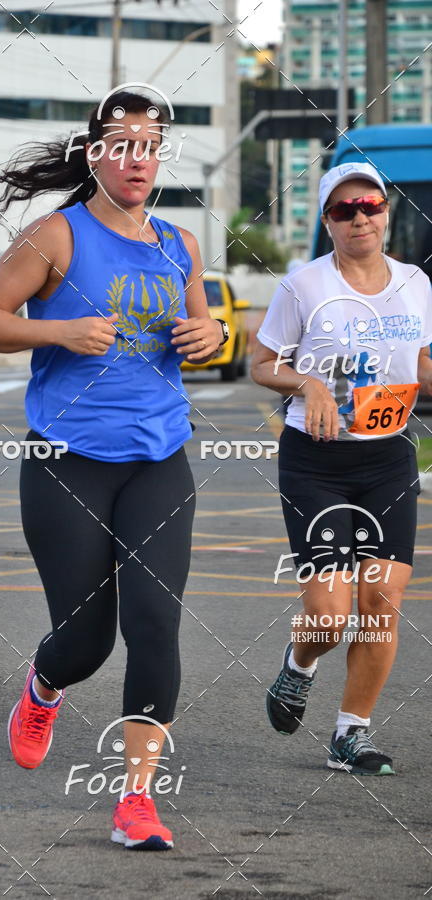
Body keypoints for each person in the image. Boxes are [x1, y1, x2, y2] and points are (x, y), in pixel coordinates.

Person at [0, 90, 228, 848]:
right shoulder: (57, 235)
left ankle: (136, 800)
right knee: (86, 642)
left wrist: (208, 335)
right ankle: (44, 687)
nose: (138, 158)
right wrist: (61, 331)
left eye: (150, 145)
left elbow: (199, 327)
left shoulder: (180, 244)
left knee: (155, 624)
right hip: (67, 464)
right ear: (96, 155)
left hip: (158, 461)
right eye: (122, 143)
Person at [251, 161, 432, 776]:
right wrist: (308, 384)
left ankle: (350, 733)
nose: (360, 218)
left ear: (387, 212)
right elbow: (262, 363)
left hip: (388, 458)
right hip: (317, 462)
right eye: (344, 210)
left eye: (370, 206)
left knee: (382, 601)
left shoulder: (416, 283)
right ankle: (299, 664)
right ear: (328, 221)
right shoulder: (303, 286)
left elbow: (420, 363)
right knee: (329, 618)